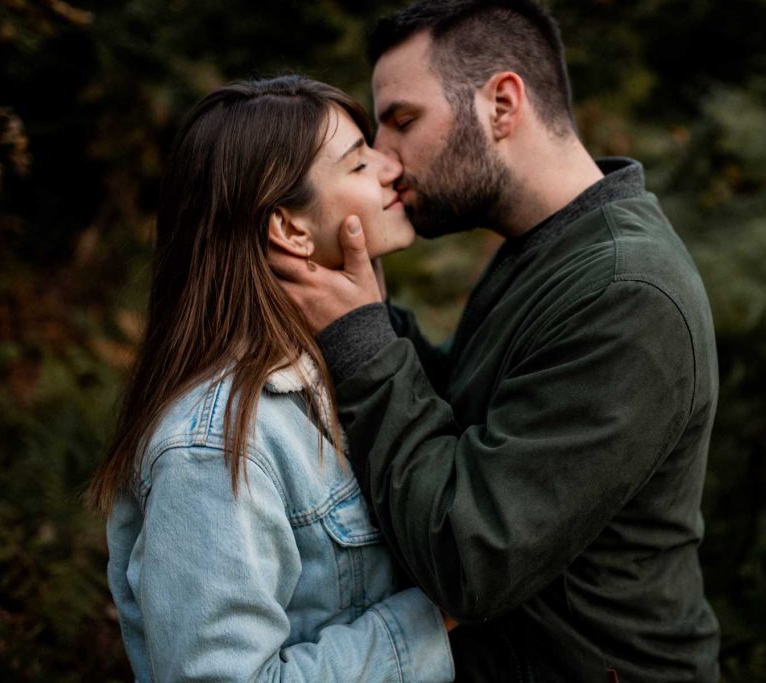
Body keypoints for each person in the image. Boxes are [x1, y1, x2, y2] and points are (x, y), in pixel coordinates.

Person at [271, 1, 722, 680]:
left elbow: (470, 557)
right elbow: (461, 417)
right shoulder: (549, 249)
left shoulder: (627, 293)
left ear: (502, 105)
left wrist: (361, 341)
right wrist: (365, 312)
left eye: (402, 122)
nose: (384, 162)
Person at [85, 76, 454, 682]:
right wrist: (430, 622)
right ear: (290, 230)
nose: (392, 167)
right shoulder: (212, 447)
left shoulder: (338, 372)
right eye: (359, 162)